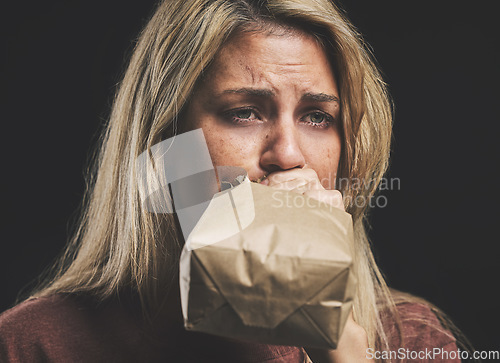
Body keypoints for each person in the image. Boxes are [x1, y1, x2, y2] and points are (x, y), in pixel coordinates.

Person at [0, 0, 470, 362]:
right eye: (243, 113)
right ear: (165, 146)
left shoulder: (409, 339)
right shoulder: (33, 344)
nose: (287, 154)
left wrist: (339, 340)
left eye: (317, 117)